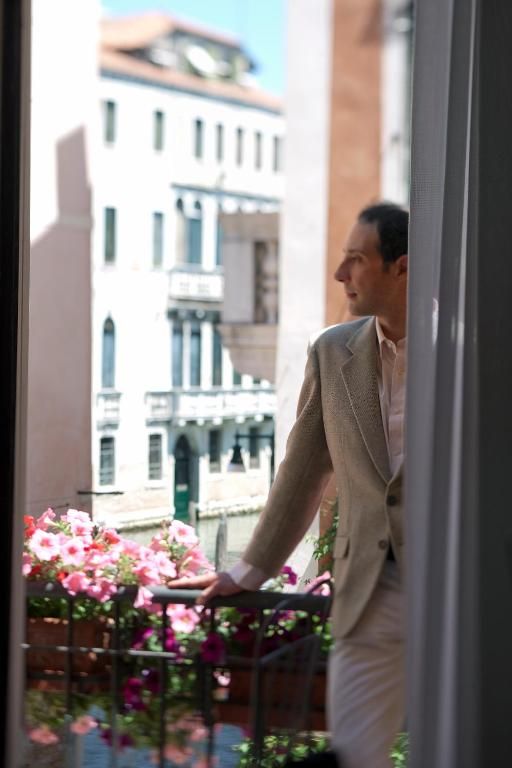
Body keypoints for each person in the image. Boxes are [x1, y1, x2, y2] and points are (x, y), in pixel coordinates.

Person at [172, 202, 408, 768]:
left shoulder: (468, 350)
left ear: (403, 266)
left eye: (356, 259)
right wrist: (247, 572)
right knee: (355, 757)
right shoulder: (332, 351)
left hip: (460, 591)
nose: (340, 274)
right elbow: (302, 472)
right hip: (369, 595)